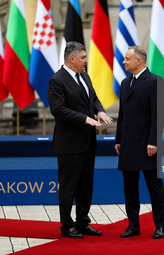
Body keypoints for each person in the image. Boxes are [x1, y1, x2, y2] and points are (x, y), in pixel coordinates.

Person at [48, 41, 113, 238]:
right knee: (68, 187)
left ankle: (83, 222)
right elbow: (57, 110)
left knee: (86, 185)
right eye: (83, 57)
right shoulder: (57, 80)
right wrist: (84, 118)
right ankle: (67, 226)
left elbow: (93, 98)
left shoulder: (84, 76)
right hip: (68, 144)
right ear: (72, 58)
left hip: (87, 142)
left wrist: (99, 111)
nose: (86, 60)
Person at [115, 46, 164, 239]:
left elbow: (158, 115)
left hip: (147, 145)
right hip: (128, 144)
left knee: (154, 187)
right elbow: (123, 115)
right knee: (129, 187)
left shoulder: (155, 81)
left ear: (139, 60)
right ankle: (133, 226)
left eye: (127, 59)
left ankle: (160, 226)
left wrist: (153, 141)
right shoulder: (124, 83)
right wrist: (119, 139)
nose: (123, 62)